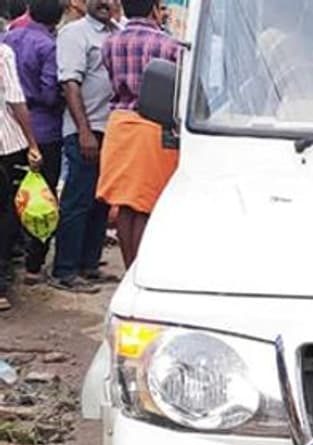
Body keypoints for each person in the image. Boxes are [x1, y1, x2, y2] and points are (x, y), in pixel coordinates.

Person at [96, 0, 180, 270]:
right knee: (146, 204)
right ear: (154, 8)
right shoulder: (169, 46)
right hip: (152, 126)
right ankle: (140, 269)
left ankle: (128, 267)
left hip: (119, 124)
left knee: (125, 204)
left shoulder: (110, 43)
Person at [50, 0, 115, 293]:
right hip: (85, 131)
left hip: (111, 129)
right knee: (77, 201)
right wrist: (84, 131)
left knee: (100, 200)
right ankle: (65, 270)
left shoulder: (116, 32)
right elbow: (69, 84)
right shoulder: (75, 33)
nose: (106, 3)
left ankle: (89, 264)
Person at [5, 0, 65, 285]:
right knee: (42, 198)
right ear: (57, 18)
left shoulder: (9, 38)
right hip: (43, 131)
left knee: (11, 199)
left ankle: (9, 259)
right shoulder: (48, 46)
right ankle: (33, 265)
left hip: (9, 131)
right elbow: (49, 93)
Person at [0, 40, 42, 311]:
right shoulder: (2, 53)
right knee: (5, 215)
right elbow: (16, 100)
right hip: (5, 146)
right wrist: (32, 143)